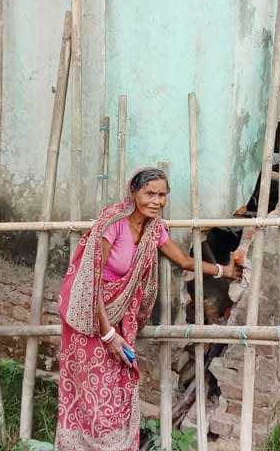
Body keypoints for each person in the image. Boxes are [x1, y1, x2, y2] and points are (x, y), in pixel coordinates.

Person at [55, 167, 241, 450]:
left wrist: (224, 271)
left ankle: (115, 445)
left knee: (118, 385)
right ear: (133, 192)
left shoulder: (152, 230)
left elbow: (184, 261)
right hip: (90, 316)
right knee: (92, 387)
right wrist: (107, 335)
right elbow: (92, 279)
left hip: (119, 319)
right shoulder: (112, 223)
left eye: (162, 195)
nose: (156, 200)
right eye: (149, 193)